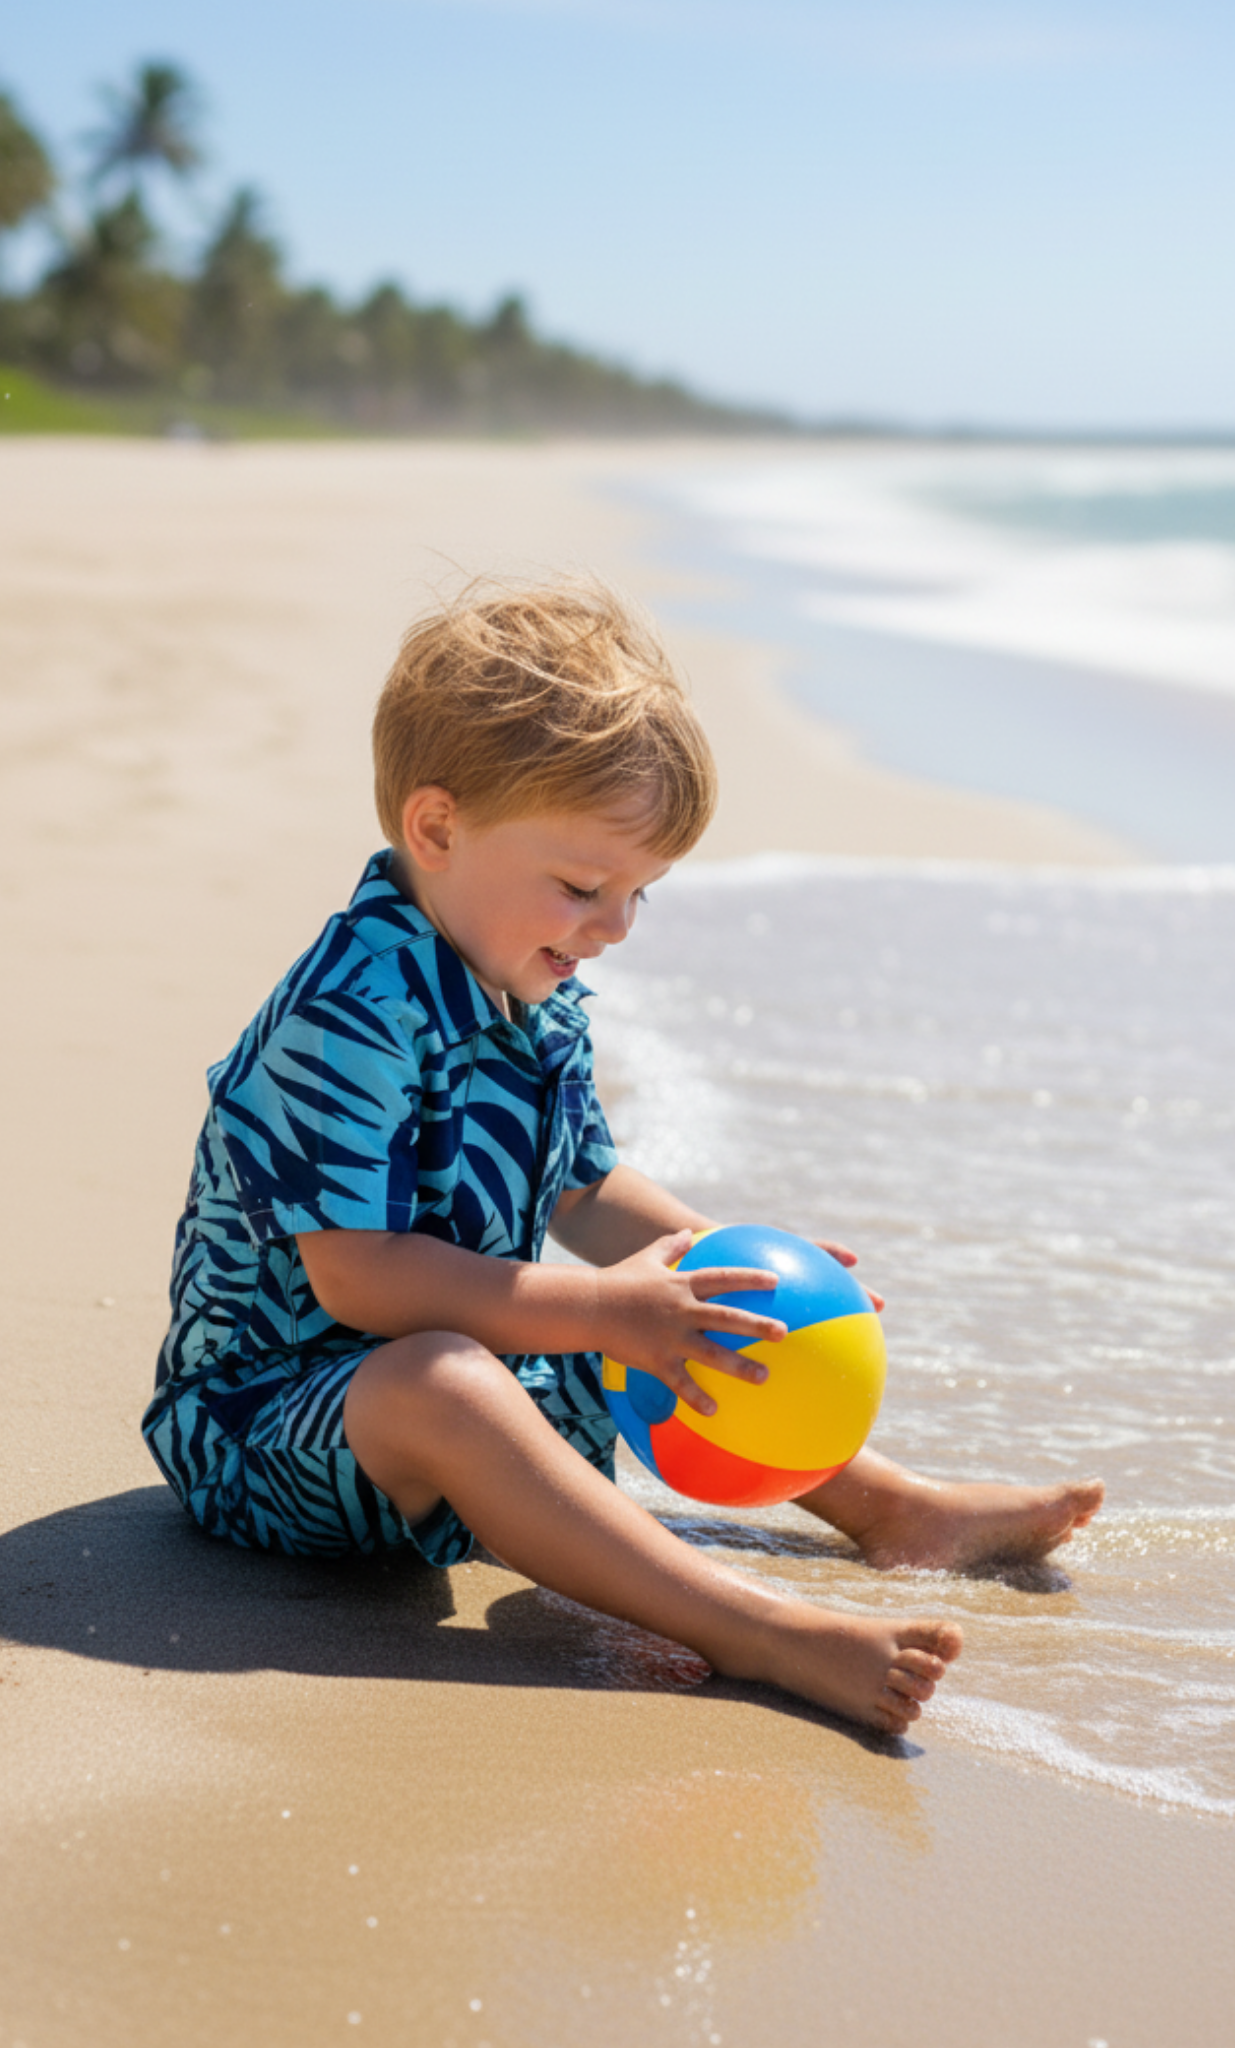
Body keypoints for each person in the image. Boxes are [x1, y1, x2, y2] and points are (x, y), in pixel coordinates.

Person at [143, 581, 1103, 1735]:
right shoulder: (349, 1008)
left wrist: (712, 1270)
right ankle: (751, 1625)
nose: (614, 924)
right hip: (270, 1420)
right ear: (437, 828)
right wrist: (607, 1311)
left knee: (692, 1309)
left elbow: (583, 1187)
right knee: (457, 1373)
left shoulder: (533, 989)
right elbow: (357, 1278)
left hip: (452, 1380)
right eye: (583, 885)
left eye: (638, 891)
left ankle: (897, 1507)